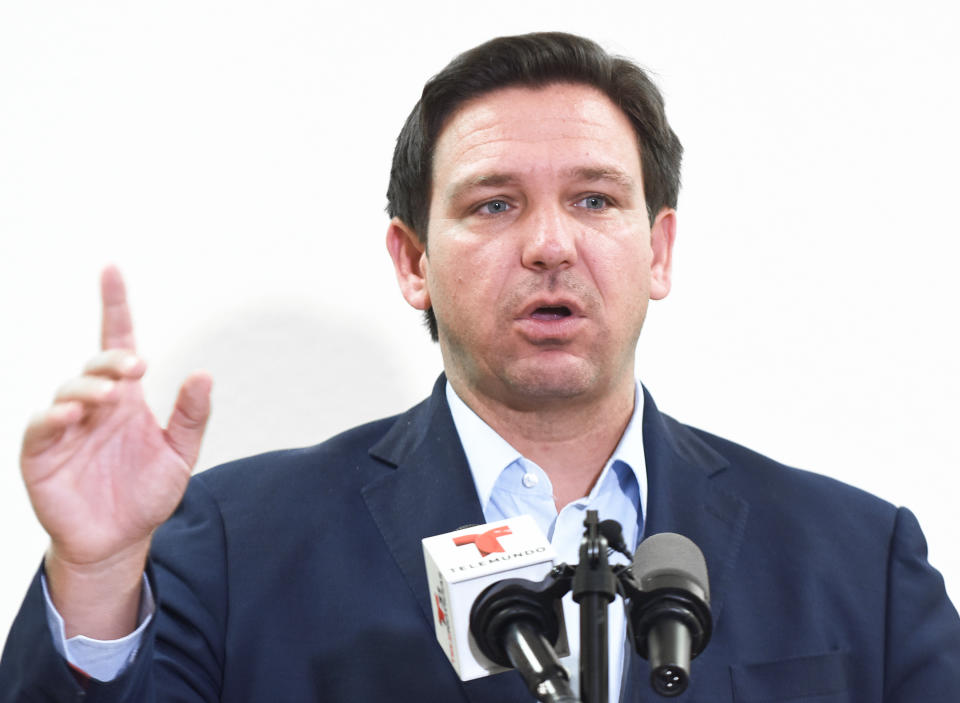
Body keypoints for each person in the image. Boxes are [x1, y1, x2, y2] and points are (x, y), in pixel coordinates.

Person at [1, 32, 958, 702]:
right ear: (413, 261)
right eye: (494, 205)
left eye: (593, 199)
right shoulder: (229, 542)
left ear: (658, 250)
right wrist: (91, 575)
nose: (549, 244)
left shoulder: (856, 559)